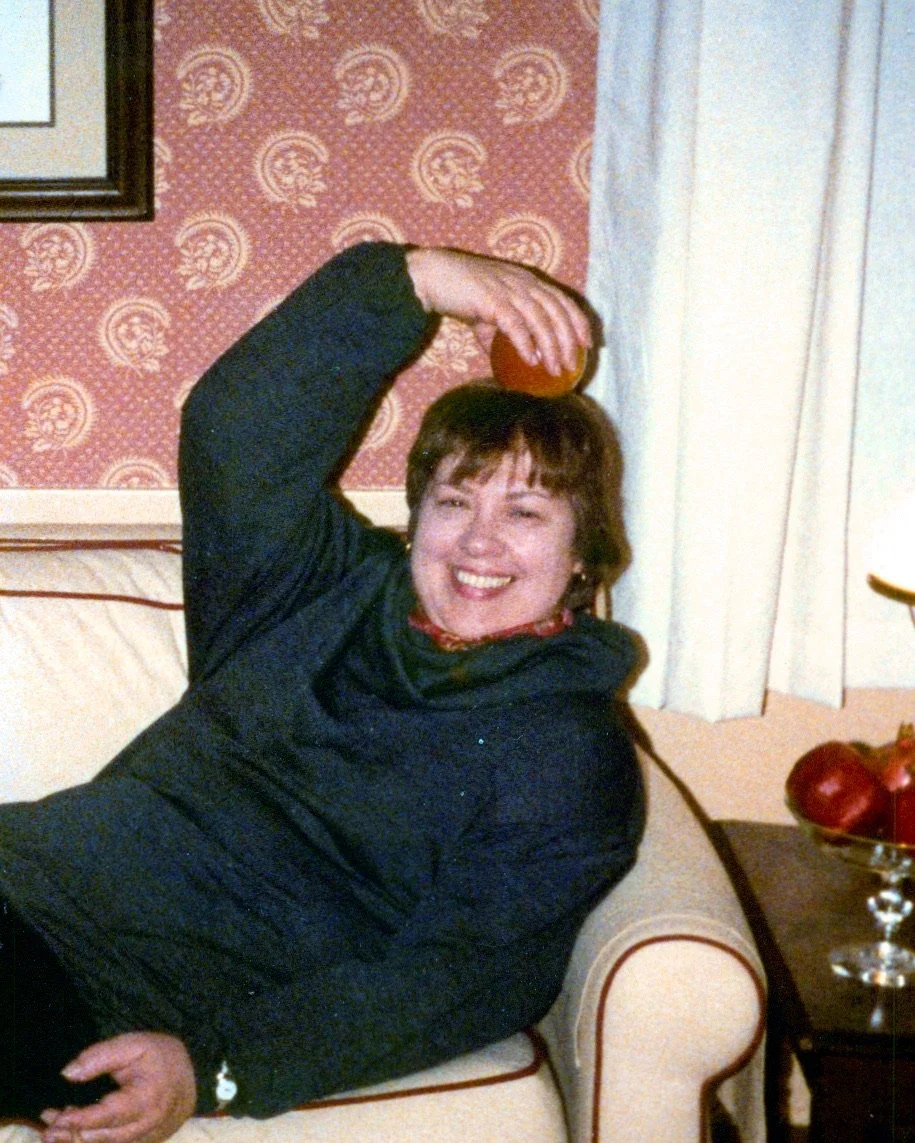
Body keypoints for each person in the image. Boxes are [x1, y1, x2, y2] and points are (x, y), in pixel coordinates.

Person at [0, 243, 643, 1143]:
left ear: (582, 555)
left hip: (103, 990)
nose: (478, 541)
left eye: (525, 512)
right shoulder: (320, 588)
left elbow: (465, 977)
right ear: (416, 518)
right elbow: (236, 431)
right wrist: (413, 280)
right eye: (454, 502)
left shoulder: (565, 752)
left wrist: (219, 1065)